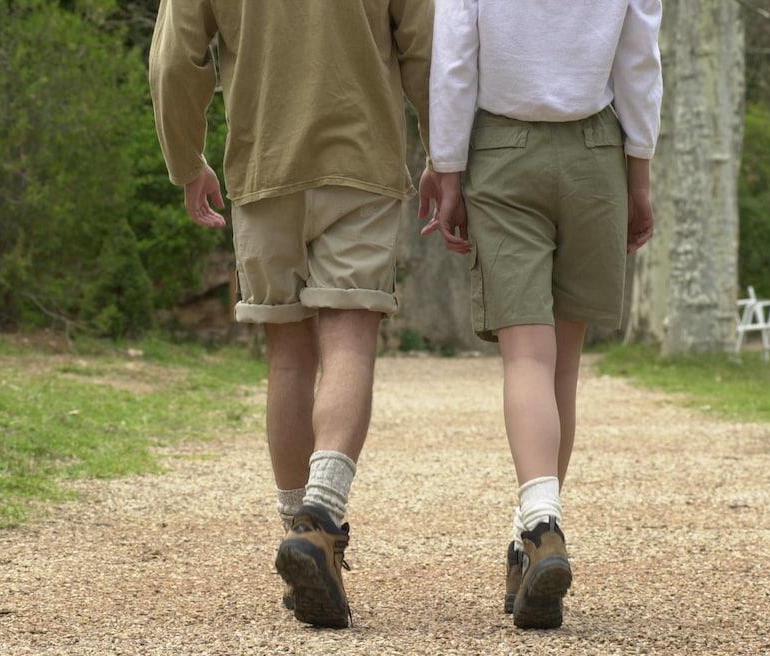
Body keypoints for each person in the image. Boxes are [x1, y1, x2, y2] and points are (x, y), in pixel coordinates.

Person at [149, 0, 434, 629]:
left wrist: (185, 158)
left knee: (288, 358)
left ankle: (298, 534)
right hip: (362, 163)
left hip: (262, 165)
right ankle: (321, 520)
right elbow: (425, 47)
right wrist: (445, 153)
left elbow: (176, 58)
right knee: (350, 342)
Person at [427, 0, 663, 629]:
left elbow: (454, 58)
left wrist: (446, 167)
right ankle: (528, 541)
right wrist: (639, 172)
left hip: (502, 149)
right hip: (596, 150)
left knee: (527, 357)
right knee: (563, 367)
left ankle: (539, 525)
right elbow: (639, 60)